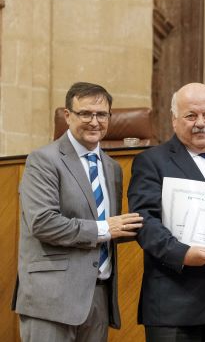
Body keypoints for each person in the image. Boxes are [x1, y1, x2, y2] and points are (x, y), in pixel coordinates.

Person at [12, 82, 144, 342]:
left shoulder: (111, 167)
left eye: (102, 114)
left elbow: (109, 226)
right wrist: (106, 228)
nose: (94, 121)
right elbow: (44, 223)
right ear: (67, 115)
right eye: (85, 113)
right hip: (51, 299)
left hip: (98, 297)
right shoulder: (43, 160)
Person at [127, 83, 205, 342]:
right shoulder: (152, 161)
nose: (201, 123)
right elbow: (145, 223)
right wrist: (182, 253)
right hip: (176, 305)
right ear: (174, 120)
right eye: (190, 116)